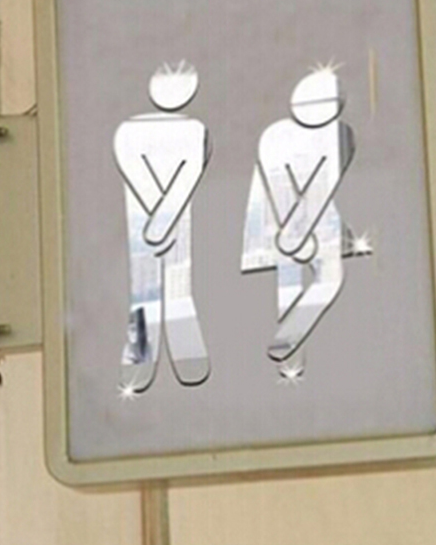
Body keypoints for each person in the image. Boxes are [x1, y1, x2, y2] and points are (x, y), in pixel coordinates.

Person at [242, 66, 370, 380]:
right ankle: (288, 359)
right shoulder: (275, 135)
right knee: (291, 280)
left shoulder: (340, 135)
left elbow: (324, 187)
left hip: (315, 219)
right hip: (279, 219)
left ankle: (288, 344)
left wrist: (305, 229)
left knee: (328, 278)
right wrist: (291, 230)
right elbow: (277, 184)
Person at [113, 62, 212, 395]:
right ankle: (141, 356)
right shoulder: (129, 130)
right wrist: (159, 221)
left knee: (177, 284)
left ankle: (183, 348)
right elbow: (134, 169)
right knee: (145, 288)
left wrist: (163, 219)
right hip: (146, 218)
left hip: (168, 218)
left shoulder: (195, 130)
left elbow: (189, 175)